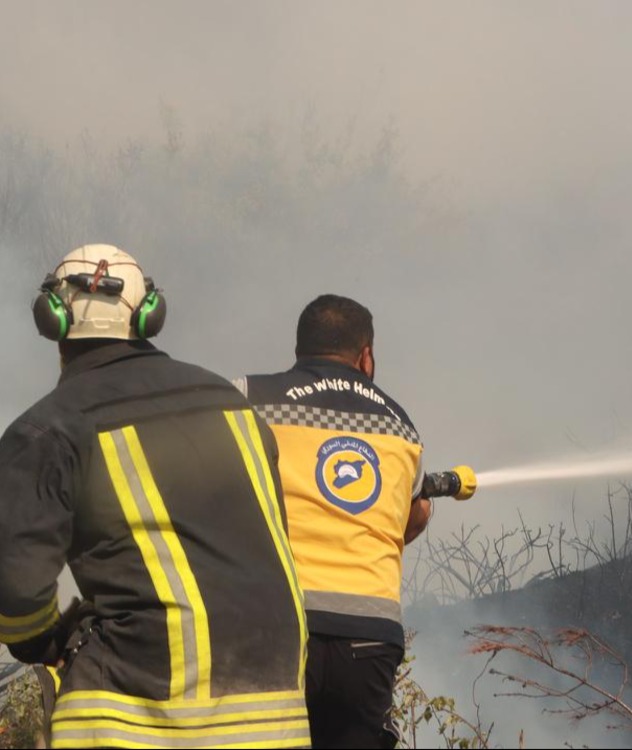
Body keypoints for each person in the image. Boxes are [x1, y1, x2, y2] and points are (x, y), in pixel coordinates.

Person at [0, 244, 310, 749]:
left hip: (139, 717)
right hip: (278, 714)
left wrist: (48, 641)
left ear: (52, 321)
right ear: (149, 316)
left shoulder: (48, 429)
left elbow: (15, 592)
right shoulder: (232, 405)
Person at [233, 294, 431, 749]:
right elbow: (411, 519)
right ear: (366, 356)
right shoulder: (402, 426)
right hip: (369, 635)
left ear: (301, 348)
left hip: (277, 623)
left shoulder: (245, 397)